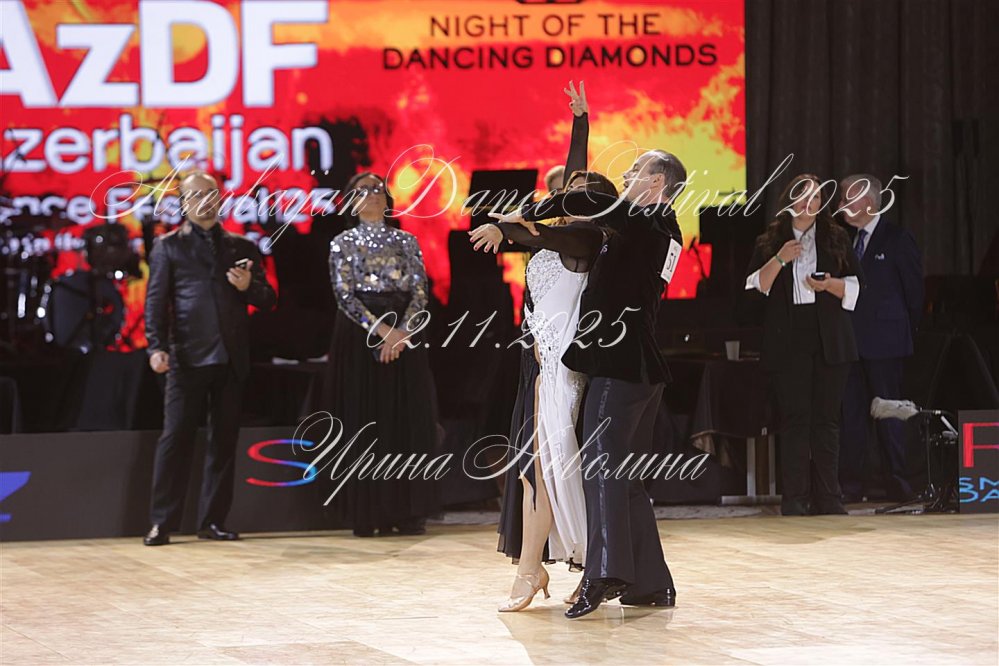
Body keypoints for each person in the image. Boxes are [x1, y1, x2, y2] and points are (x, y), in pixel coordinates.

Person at [487, 81, 683, 619]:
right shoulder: (654, 225)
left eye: (635, 171)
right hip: (636, 367)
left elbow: (586, 200)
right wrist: (580, 128)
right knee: (624, 477)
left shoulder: (647, 219)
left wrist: (517, 222)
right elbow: (584, 200)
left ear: (657, 182)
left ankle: (603, 576)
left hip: (622, 366)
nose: (627, 177)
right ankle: (652, 583)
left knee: (601, 470)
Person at [471, 167, 617, 612]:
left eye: (576, 193)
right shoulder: (556, 236)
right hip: (540, 368)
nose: (564, 199)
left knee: (559, 472)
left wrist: (504, 228)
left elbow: (534, 233)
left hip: (569, 373)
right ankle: (532, 568)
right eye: (563, 192)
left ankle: (583, 566)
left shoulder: (588, 238)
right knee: (532, 473)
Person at [143, 171, 276, 546]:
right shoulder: (169, 247)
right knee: (175, 440)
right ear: (183, 203)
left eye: (211, 194)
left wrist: (248, 288)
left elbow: (268, 299)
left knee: (223, 443)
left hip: (230, 358)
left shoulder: (241, 246)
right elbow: (156, 301)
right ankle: (162, 521)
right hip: (187, 356)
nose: (205, 201)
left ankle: (213, 520)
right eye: (196, 195)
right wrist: (156, 346)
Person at [325, 171, 440, 537]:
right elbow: (344, 295)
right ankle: (367, 511)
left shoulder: (407, 241)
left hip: (404, 333)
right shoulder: (342, 243)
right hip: (361, 336)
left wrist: (401, 333)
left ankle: (407, 510)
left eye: (378, 189)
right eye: (363, 190)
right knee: (365, 420)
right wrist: (383, 332)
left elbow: (420, 293)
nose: (372, 195)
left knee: (406, 420)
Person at [745, 174, 864, 516]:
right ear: (789, 199)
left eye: (815, 198)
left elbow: (857, 287)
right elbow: (753, 291)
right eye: (802, 196)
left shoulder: (836, 237)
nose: (807, 203)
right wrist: (780, 258)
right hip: (788, 338)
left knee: (827, 421)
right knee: (794, 420)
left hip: (829, 338)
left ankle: (829, 498)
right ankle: (794, 499)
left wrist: (828, 286)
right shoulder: (770, 240)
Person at [837, 174, 923, 502]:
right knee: (852, 416)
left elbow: (914, 293)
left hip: (886, 344)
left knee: (889, 415)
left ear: (869, 202)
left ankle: (899, 483)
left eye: (848, 198)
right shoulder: (843, 240)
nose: (841, 205)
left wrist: (905, 333)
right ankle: (852, 486)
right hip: (850, 344)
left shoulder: (897, 238)